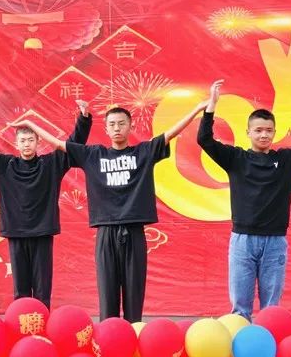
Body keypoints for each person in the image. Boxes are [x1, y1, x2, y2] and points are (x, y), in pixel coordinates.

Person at [17, 101, 209, 322]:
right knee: (107, 296)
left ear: (130, 126)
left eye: (121, 123)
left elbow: (171, 133)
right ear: (106, 129)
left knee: (134, 295)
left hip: (134, 231)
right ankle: (109, 335)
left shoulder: (143, 152)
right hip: (106, 233)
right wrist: (32, 124)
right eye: (112, 124)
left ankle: (133, 333)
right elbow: (59, 144)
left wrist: (197, 109)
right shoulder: (94, 155)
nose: (117, 128)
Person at [197, 80, 291, 320]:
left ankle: (268, 343)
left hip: (275, 241)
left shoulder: (287, 160)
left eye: (268, 130)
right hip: (242, 240)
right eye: (258, 130)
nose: (263, 135)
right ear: (248, 132)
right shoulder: (235, 158)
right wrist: (211, 107)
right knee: (240, 309)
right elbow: (205, 140)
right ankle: (242, 343)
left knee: (271, 309)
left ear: (274, 133)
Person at [0, 100, 92, 308]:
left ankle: (42, 322)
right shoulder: (3, 165)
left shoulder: (51, 164)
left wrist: (84, 118)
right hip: (16, 233)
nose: (27, 144)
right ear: (16, 144)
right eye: (23, 140)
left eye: (30, 140)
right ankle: (22, 322)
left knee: (42, 289)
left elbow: (73, 145)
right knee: (21, 290)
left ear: (38, 143)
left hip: (42, 233)